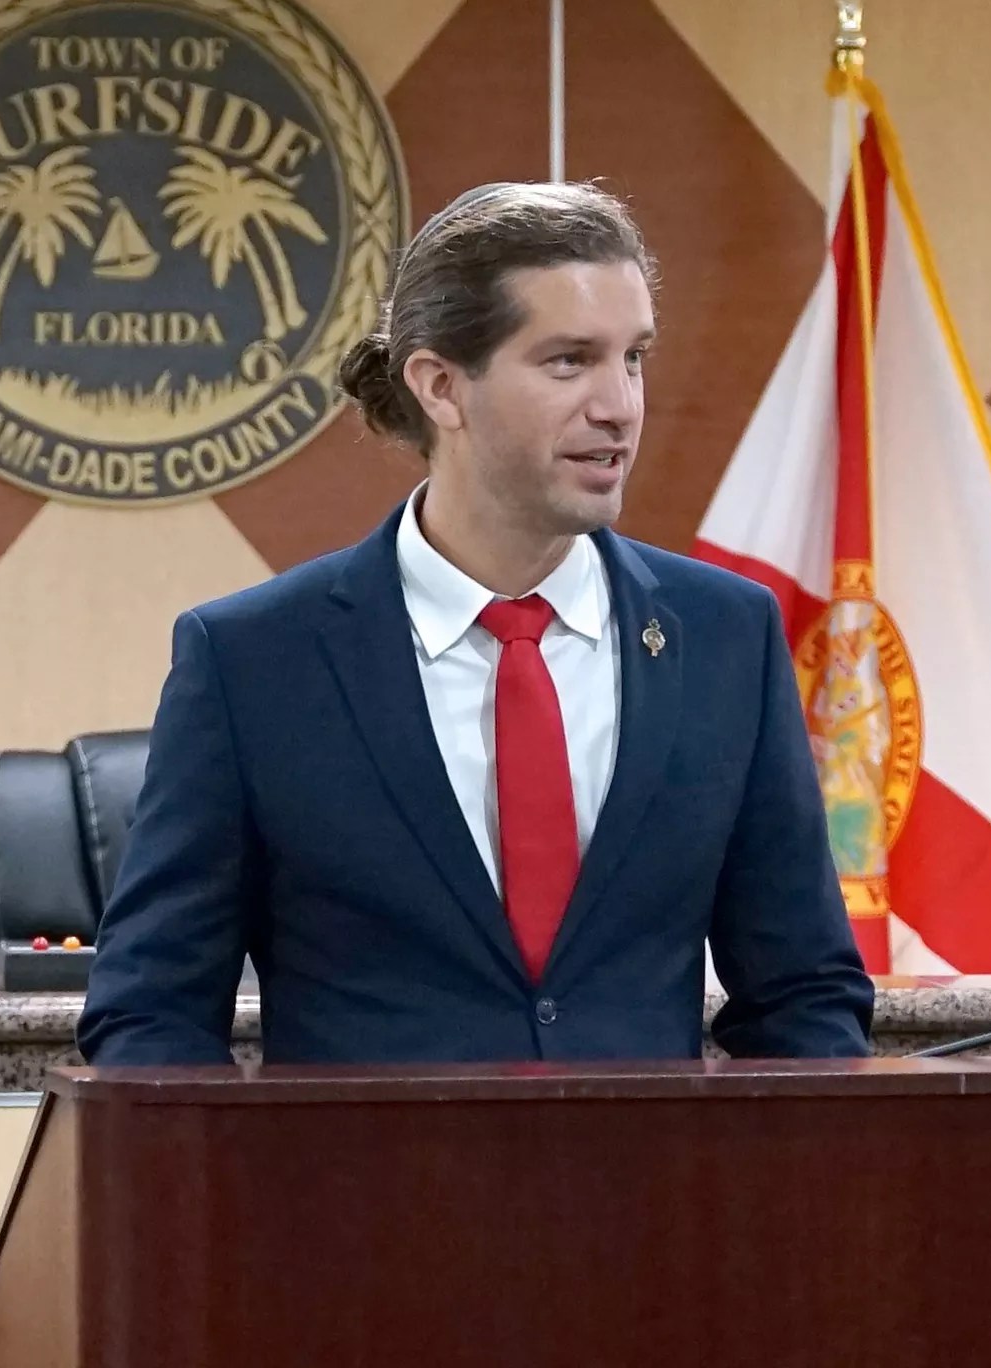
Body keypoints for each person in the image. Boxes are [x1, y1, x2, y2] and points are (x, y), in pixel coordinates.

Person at [77, 180, 873, 1067]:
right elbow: (150, 1017)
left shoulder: (725, 634)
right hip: (359, 1202)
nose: (620, 405)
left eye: (634, 357)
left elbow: (802, 996)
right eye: (570, 361)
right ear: (441, 386)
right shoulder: (254, 661)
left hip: (650, 1202)